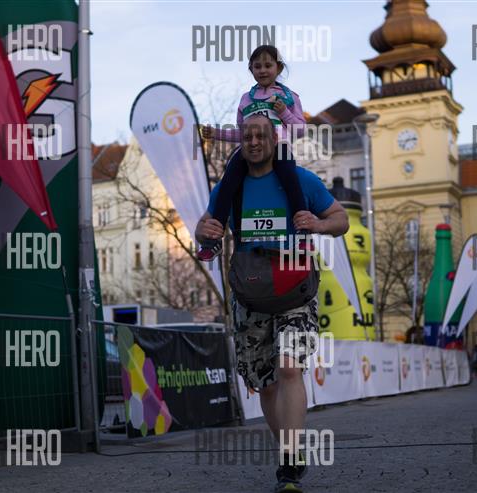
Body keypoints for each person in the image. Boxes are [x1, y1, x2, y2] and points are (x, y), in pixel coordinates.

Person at [195, 115, 348, 493]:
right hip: (251, 293)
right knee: (264, 385)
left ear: (274, 138)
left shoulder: (301, 181)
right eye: (247, 136)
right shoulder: (231, 187)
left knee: (289, 368)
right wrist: (203, 230)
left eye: (260, 135)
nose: (253, 141)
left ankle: (289, 463)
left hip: (296, 290)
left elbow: (340, 219)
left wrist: (319, 225)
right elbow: (206, 224)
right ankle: (291, 448)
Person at [198, 44, 308, 261]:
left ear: (278, 67)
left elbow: (300, 130)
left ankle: (302, 232)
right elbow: (242, 134)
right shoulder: (245, 99)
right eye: (257, 66)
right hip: (249, 150)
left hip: (279, 146)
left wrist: (284, 113)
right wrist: (216, 134)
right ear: (251, 69)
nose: (263, 70)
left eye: (268, 65)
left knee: (291, 181)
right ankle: (213, 240)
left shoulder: (289, 96)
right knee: (228, 183)